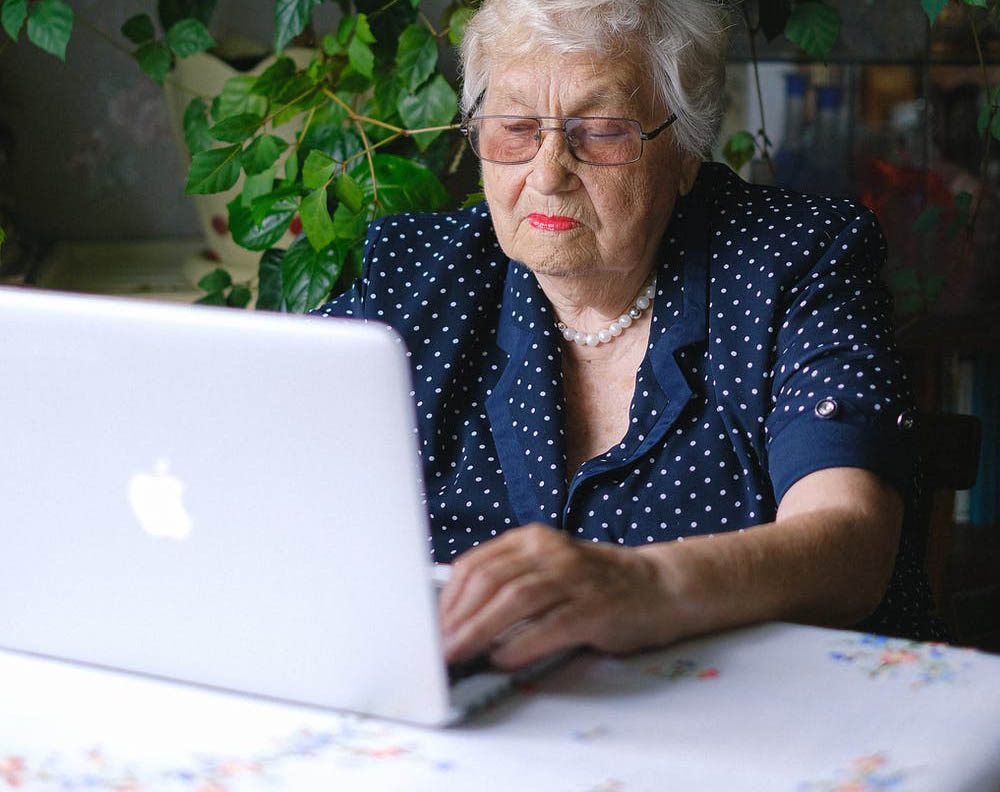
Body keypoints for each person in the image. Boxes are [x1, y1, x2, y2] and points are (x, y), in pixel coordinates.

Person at [315, 0, 939, 669]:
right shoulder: (414, 282)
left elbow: (848, 547)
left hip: (756, 716)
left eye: (602, 131)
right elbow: (256, 466)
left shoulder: (793, 261)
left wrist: (648, 583)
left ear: (686, 149)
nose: (547, 171)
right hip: (486, 721)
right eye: (516, 128)